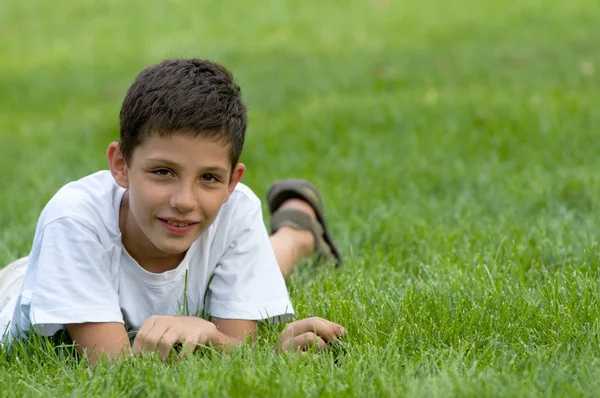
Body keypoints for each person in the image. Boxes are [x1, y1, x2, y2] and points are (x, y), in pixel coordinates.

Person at [0, 59, 344, 362]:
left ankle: (298, 230)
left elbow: (239, 348)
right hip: (35, 276)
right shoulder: (73, 223)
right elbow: (112, 368)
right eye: (163, 171)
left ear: (231, 183)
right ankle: (299, 233)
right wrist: (223, 340)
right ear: (121, 165)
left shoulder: (235, 210)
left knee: (257, 264)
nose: (184, 200)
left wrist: (233, 343)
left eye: (209, 177)